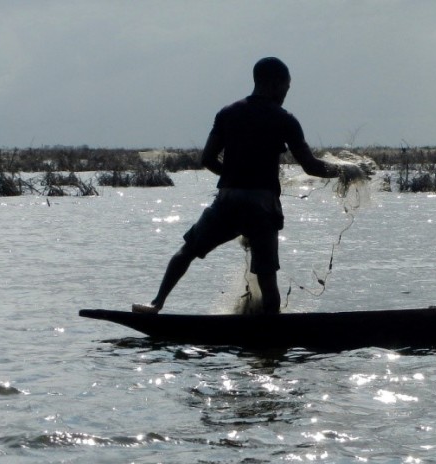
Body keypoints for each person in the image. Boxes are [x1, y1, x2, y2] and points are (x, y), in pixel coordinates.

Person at [133, 56, 366, 315]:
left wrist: (234, 175)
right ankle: (270, 339)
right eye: (285, 88)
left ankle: (156, 304)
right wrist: (346, 171)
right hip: (262, 206)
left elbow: (207, 159)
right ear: (274, 84)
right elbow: (311, 166)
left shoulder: (228, 113)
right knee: (266, 278)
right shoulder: (284, 119)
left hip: (228, 199)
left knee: (187, 251)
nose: (285, 95)